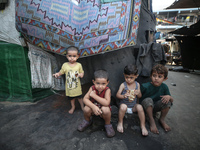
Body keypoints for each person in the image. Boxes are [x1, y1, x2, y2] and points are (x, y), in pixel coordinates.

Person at [77, 69, 115, 138]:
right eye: (98, 83)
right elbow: (85, 99)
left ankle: (108, 124)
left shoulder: (107, 90)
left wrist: (94, 96)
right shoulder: (92, 88)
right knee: (86, 109)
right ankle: (87, 121)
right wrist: (93, 107)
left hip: (103, 110)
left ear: (107, 83)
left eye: (103, 84)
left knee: (105, 109)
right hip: (94, 109)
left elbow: (106, 103)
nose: (100, 86)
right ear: (93, 82)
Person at [140, 64, 173, 134]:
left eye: (160, 76)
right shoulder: (144, 86)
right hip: (145, 107)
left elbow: (171, 100)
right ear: (150, 76)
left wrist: (169, 97)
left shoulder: (164, 87)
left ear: (165, 79)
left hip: (155, 107)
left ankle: (162, 119)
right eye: (154, 75)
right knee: (148, 100)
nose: (156, 78)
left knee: (168, 101)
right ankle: (151, 120)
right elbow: (138, 97)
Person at [116, 64, 148, 136]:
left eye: (131, 78)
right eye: (127, 77)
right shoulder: (123, 85)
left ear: (136, 76)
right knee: (123, 106)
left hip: (133, 107)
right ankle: (120, 122)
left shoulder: (137, 85)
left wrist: (138, 93)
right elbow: (117, 95)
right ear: (124, 75)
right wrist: (123, 96)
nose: (129, 80)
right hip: (124, 107)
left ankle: (143, 126)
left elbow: (140, 96)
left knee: (139, 107)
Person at [53, 46, 84, 114]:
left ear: (77, 56)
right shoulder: (65, 65)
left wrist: (81, 75)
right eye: (70, 56)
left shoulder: (79, 65)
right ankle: (73, 107)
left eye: (74, 56)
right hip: (69, 87)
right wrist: (57, 74)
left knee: (80, 98)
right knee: (71, 99)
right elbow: (61, 72)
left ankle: (82, 107)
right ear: (67, 56)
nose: (72, 58)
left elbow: (82, 72)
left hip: (77, 87)